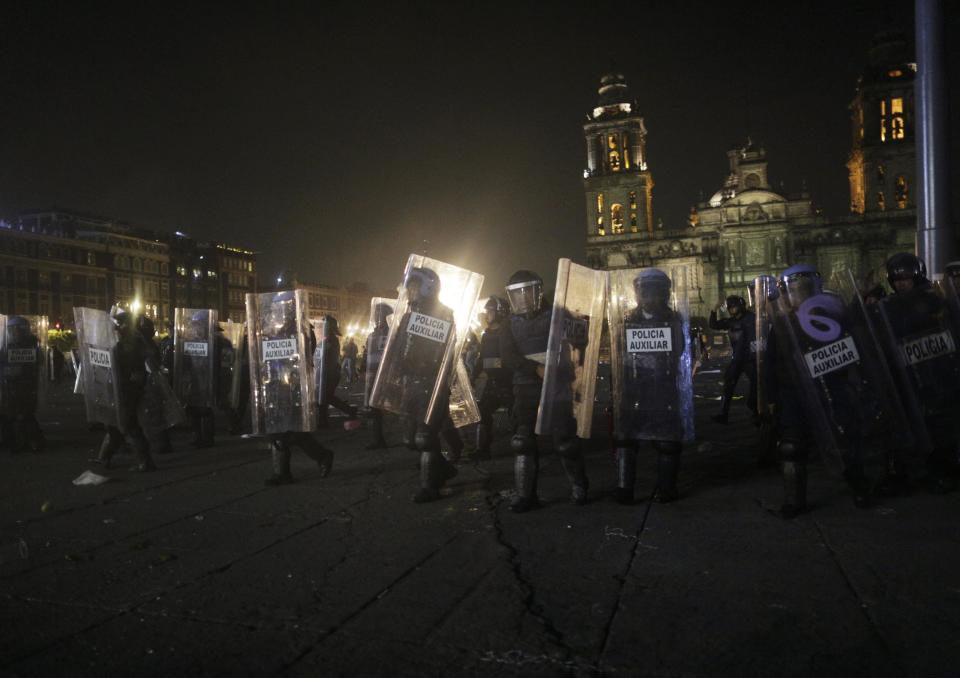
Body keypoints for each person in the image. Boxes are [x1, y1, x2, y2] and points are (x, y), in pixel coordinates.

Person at [501, 269, 590, 511]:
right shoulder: (509, 324)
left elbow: (580, 342)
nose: (523, 299)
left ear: (537, 292)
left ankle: (579, 486)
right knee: (523, 442)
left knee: (564, 441)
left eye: (526, 293)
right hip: (526, 387)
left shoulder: (558, 315)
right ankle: (525, 495)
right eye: (516, 295)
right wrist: (534, 369)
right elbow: (508, 356)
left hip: (558, 387)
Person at [878, 253, 960, 494]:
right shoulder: (890, 304)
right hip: (909, 373)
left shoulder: (934, 298)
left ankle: (942, 468)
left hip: (937, 370)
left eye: (905, 278)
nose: (901, 283)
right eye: (896, 279)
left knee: (940, 421)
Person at [611, 269, 692, 504]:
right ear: (638, 294)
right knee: (626, 439)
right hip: (634, 386)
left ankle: (666, 489)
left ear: (665, 294)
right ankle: (624, 489)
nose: (651, 298)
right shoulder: (627, 320)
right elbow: (619, 355)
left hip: (664, 385)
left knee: (668, 441)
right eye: (646, 292)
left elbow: (680, 351)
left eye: (656, 292)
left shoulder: (674, 319)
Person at [252, 286, 334, 486]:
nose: (278, 312)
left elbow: (303, 359)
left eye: (282, 308)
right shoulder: (273, 331)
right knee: (280, 431)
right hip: (273, 386)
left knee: (288, 432)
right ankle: (312, 460)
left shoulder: (302, 331)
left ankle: (303, 464)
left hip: (292, 388)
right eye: (276, 308)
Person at [93, 309, 157, 472]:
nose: (117, 328)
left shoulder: (133, 344)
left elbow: (142, 366)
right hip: (118, 388)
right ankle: (104, 458)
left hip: (128, 390)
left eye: (120, 325)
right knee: (114, 424)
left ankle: (145, 461)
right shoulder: (123, 343)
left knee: (129, 425)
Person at [470, 296, 513, 460]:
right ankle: (483, 449)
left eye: (490, 311)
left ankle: (525, 448)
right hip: (493, 382)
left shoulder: (508, 332)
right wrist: (474, 374)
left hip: (508, 382)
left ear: (500, 312)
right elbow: (483, 358)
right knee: (482, 413)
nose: (487, 314)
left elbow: (510, 358)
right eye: (486, 310)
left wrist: (492, 364)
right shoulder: (486, 334)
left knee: (518, 417)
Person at [0, 316, 45, 454]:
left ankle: (31, 441)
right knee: (10, 415)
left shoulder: (32, 345)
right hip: (9, 385)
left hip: (26, 385)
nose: (15, 332)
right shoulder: (8, 346)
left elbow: (39, 363)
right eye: (12, 330)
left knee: (25, 414)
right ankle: (15, 441)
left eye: (17, 329)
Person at [708, 295, 757, 424]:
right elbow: (713, 324)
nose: (731, 309)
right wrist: (714, 309)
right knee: (728, 385)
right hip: (738, 359)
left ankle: (756, 410)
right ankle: (723, 414)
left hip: (750, 358)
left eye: (733, 306)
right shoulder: (732, 321)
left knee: (757, 384)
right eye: (729, 307)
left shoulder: (752, 318)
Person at [316, 315, 359, 427]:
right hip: (327, 372)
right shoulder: (327, 339)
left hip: (330, 373)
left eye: (324, 324)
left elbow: (328, 357)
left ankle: (324, 420)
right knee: (325, 397)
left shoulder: (331, 339)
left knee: (325, 397)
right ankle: (324, 419)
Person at [363, 302, 393, 449]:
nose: (376, 317)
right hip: (372, 376)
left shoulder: (392, 333)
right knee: (373, 408)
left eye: (379, 314)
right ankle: (378, 439)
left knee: (393, 407)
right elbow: (366, 353)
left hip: (386, 376)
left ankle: (410, 438)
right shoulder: (372, 335)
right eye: (375, 314)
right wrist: (362, 369)